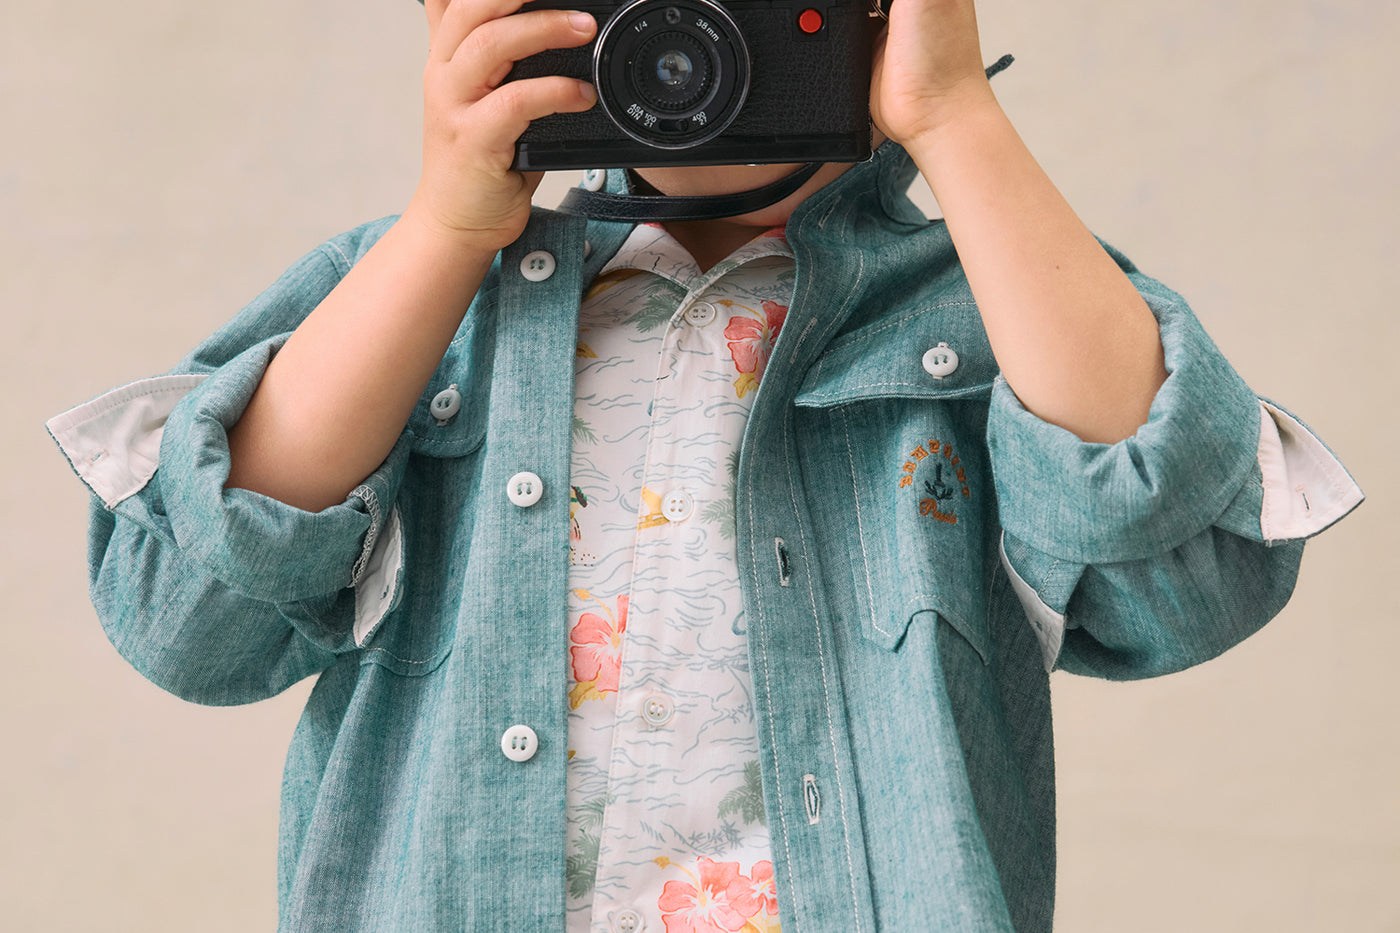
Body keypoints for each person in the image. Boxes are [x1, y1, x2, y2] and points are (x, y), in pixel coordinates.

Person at [46, 0, 1362, 930]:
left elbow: (1182, 573)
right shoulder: (421, 301)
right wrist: (452, 215)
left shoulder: (991, 306)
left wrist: (957, 119)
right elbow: (190, 621)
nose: (692, 28)